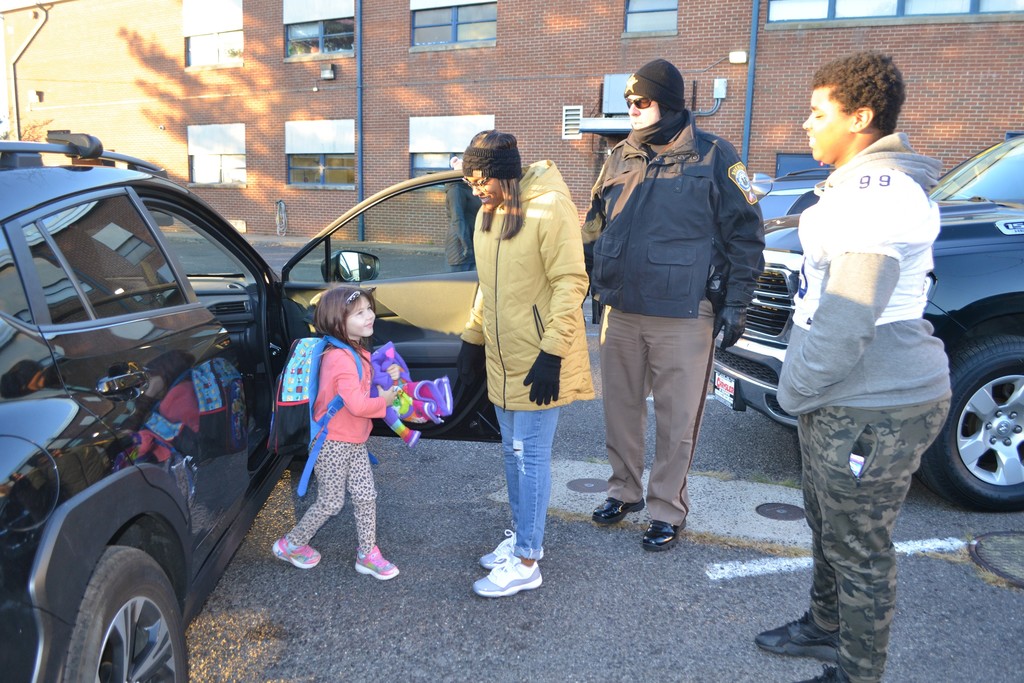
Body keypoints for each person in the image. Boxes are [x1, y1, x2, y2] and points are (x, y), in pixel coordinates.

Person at [754, 52, 951, 683]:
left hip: (874, 400)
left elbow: (845, 320)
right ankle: (824, 626)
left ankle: (858, 673)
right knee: (826, 520)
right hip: (844, 396)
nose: (806, 126)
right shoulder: (855, 185)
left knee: (859, 545)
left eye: (819, 113)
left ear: (860, 117)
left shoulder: (878, 194)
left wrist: (793, 389)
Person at [582, 58, 764, 551]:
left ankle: (666, 508)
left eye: (641, 102)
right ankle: (624, 491)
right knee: (619, 409)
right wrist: (585, 278)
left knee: (676, 419)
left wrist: (736, 304)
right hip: (621, 309)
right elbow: (596, 225)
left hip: (683, 314)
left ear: (669, 102)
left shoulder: (715, 156)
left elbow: (746, 235)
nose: (633, 111)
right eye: (629, 103)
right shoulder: (619, 156)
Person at [456, 130, 594, 598]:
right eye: (470, 180)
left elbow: (571, 283)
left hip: (539, 358)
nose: (475, 189)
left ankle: (528, 560)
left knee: (529, 457)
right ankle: (522, 537)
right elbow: (487, 287)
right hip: (502, 355)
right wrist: (472, 341)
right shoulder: (487, 214)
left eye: (481, 179)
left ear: (505, 175)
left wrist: (552, 352)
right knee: (511, 454)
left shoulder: (549, 207)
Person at [272, 285, 404, 580]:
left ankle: (367, 554)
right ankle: (291, 544)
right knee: (331, 502)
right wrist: (384, 401)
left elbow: (359, 388)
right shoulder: (340, 359)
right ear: (338, 321)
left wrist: (386, 378)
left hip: (354, 440)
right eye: (359, 313)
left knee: (366, 495)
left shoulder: (355, 350)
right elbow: (357, 404)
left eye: (369, 309)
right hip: (332, 443)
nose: (369, 316)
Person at [444, 154, 480, 272]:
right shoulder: (456, 190)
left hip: (469, 243)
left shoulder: (466, 188)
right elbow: (457, 219)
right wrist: (467, 246)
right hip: (461, 249)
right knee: (459, 286)